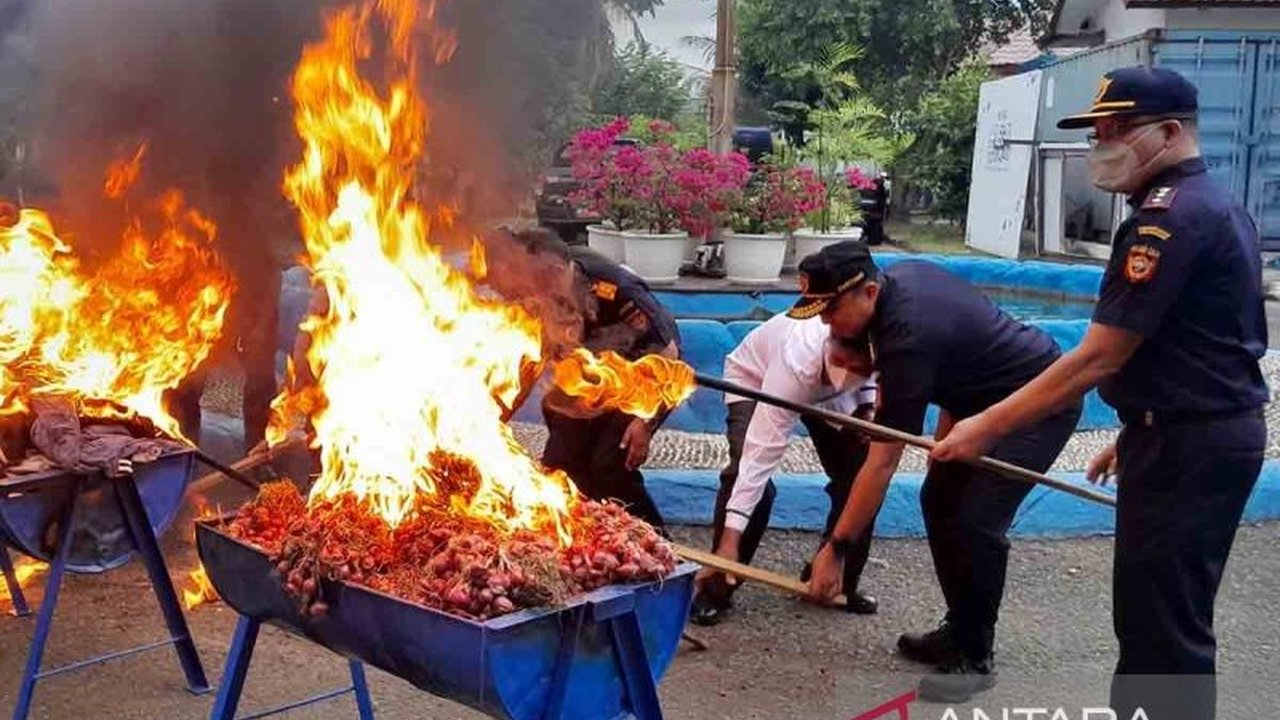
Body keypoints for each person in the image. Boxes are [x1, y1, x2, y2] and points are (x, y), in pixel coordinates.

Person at [932, 67, 1267, 720]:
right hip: (1184, 434)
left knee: (1163, 632)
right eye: (1098, 133)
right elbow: (1192, 344)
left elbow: (1096, 356)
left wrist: (985, 425)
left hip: (1189, 445)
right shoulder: (1214, 207)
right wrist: (1136, 426)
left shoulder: (1163, 223)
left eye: (1115, 132)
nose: (1100, 147)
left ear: (1168, 133)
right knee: (1153, 620)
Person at [798, 242, 1082, 702]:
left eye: (829, 311)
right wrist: (951, 432)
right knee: (939, 498)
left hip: (1040, 406)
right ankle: (959, 627)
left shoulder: (905, 337)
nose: (824, 322)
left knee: (977, 521)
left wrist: (837, 548)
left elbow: (883, 460)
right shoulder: (898, 282)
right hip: (984, 408)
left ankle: (975, 656)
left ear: (868, 292)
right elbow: (961, 362)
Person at [691, 314, 881, 626]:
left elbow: (871, 380)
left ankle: (834, 579)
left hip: (830, 392)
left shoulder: (879, 344)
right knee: (749, 477)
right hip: (756, 378)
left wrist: (868, 407)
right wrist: (729, 542)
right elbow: (758, 459)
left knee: (862, 476)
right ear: (830, 348)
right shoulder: (795, 363)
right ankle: (715, 586)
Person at [503, 230, 682, 531]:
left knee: (610, 467)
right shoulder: (538, 296)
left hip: (641, 379)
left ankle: (657, 545)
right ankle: (585, 541)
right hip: (584, 379)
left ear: (557, 272)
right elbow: (532, 358)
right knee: (561, 463)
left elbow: (669, 356)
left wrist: (645, 423)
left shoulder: (616, 288)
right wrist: (501, 414)